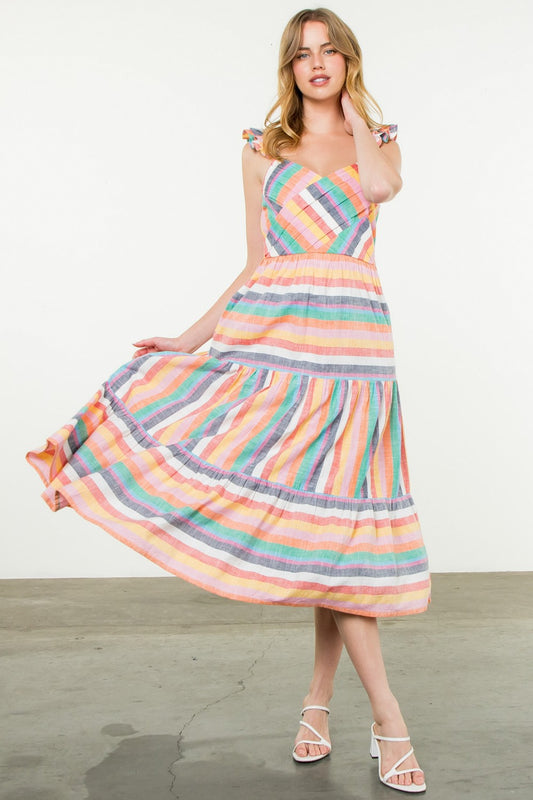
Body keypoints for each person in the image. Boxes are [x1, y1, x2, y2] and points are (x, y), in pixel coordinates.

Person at [27, 6, 429, 793]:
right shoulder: (261, 149)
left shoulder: (378, 142)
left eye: (330, 52)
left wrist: (356, 115)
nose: (316, 64)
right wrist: (188, 339)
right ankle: (387, 720)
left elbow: (382, 187)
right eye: (302, 54)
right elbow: (254, 263)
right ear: (288, 67)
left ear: (348, 60)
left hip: (354, 356)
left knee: (336, 534)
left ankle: (317, 705)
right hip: (276, 344)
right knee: (328, 540)